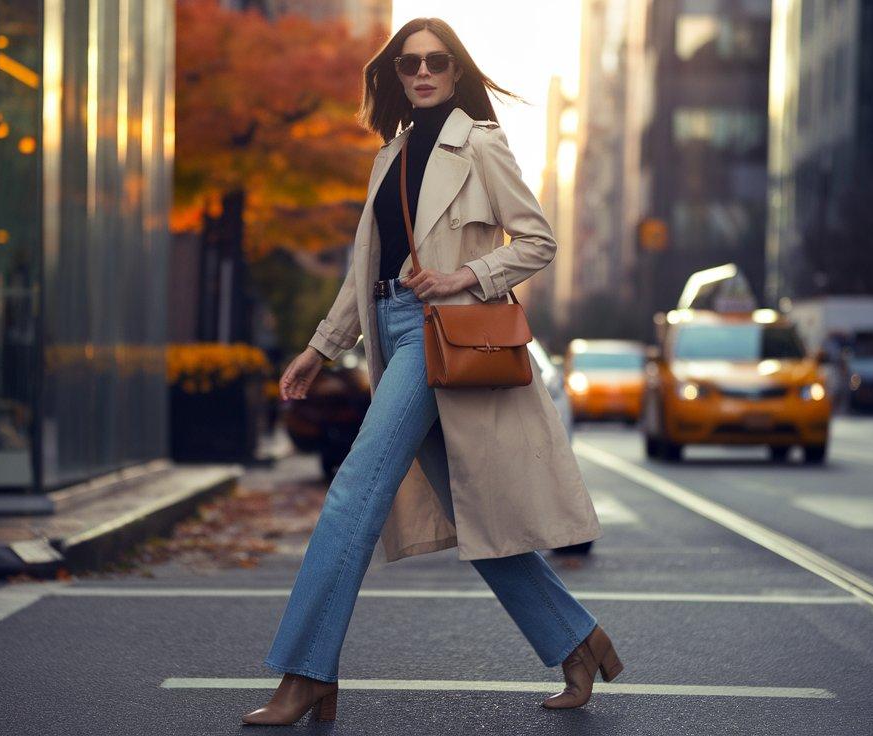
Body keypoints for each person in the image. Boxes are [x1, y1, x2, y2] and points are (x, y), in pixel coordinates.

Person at [242, 17, 623, 726]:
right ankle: (579, 640)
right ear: (394, 74)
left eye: (437, 62)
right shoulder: (388, 156)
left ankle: (304, 672)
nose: (422, 72)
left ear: (455, 72)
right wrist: (321, 347)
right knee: (467, 507)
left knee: (354, 491)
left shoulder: (478, 143)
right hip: (389, 330)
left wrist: (465, 276)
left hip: (440, 334)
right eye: (409, 63)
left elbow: (537, 239)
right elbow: (368, 269)